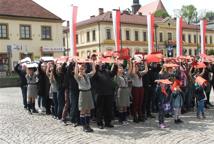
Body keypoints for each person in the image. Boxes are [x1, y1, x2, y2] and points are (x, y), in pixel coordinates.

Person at [92, 62, 116, 129]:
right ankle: (99, 123)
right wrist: (95, 65)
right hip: (100, 93)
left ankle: (107, 122)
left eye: (102, 63)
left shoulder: (107, 71)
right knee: (100, 109)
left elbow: (113, 73)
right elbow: (94, 75)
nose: (101, 64)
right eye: (100, 64)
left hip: (108, 93)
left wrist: (115, 65)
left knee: (108, 109)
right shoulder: (95, 72)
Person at [74, 59, 96, 132]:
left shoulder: (87, 75)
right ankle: (84, 126)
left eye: (83, 69)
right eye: (80, 69)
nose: (81, 70)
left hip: (88, 93)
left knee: (88, 110)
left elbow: (94, 71)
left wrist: (93, 63)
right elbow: (75, 73)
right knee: (83, 110)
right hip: (83, 93)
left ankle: (88, 125)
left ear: (85, 69)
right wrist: (76, 64)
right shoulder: (78, 77)